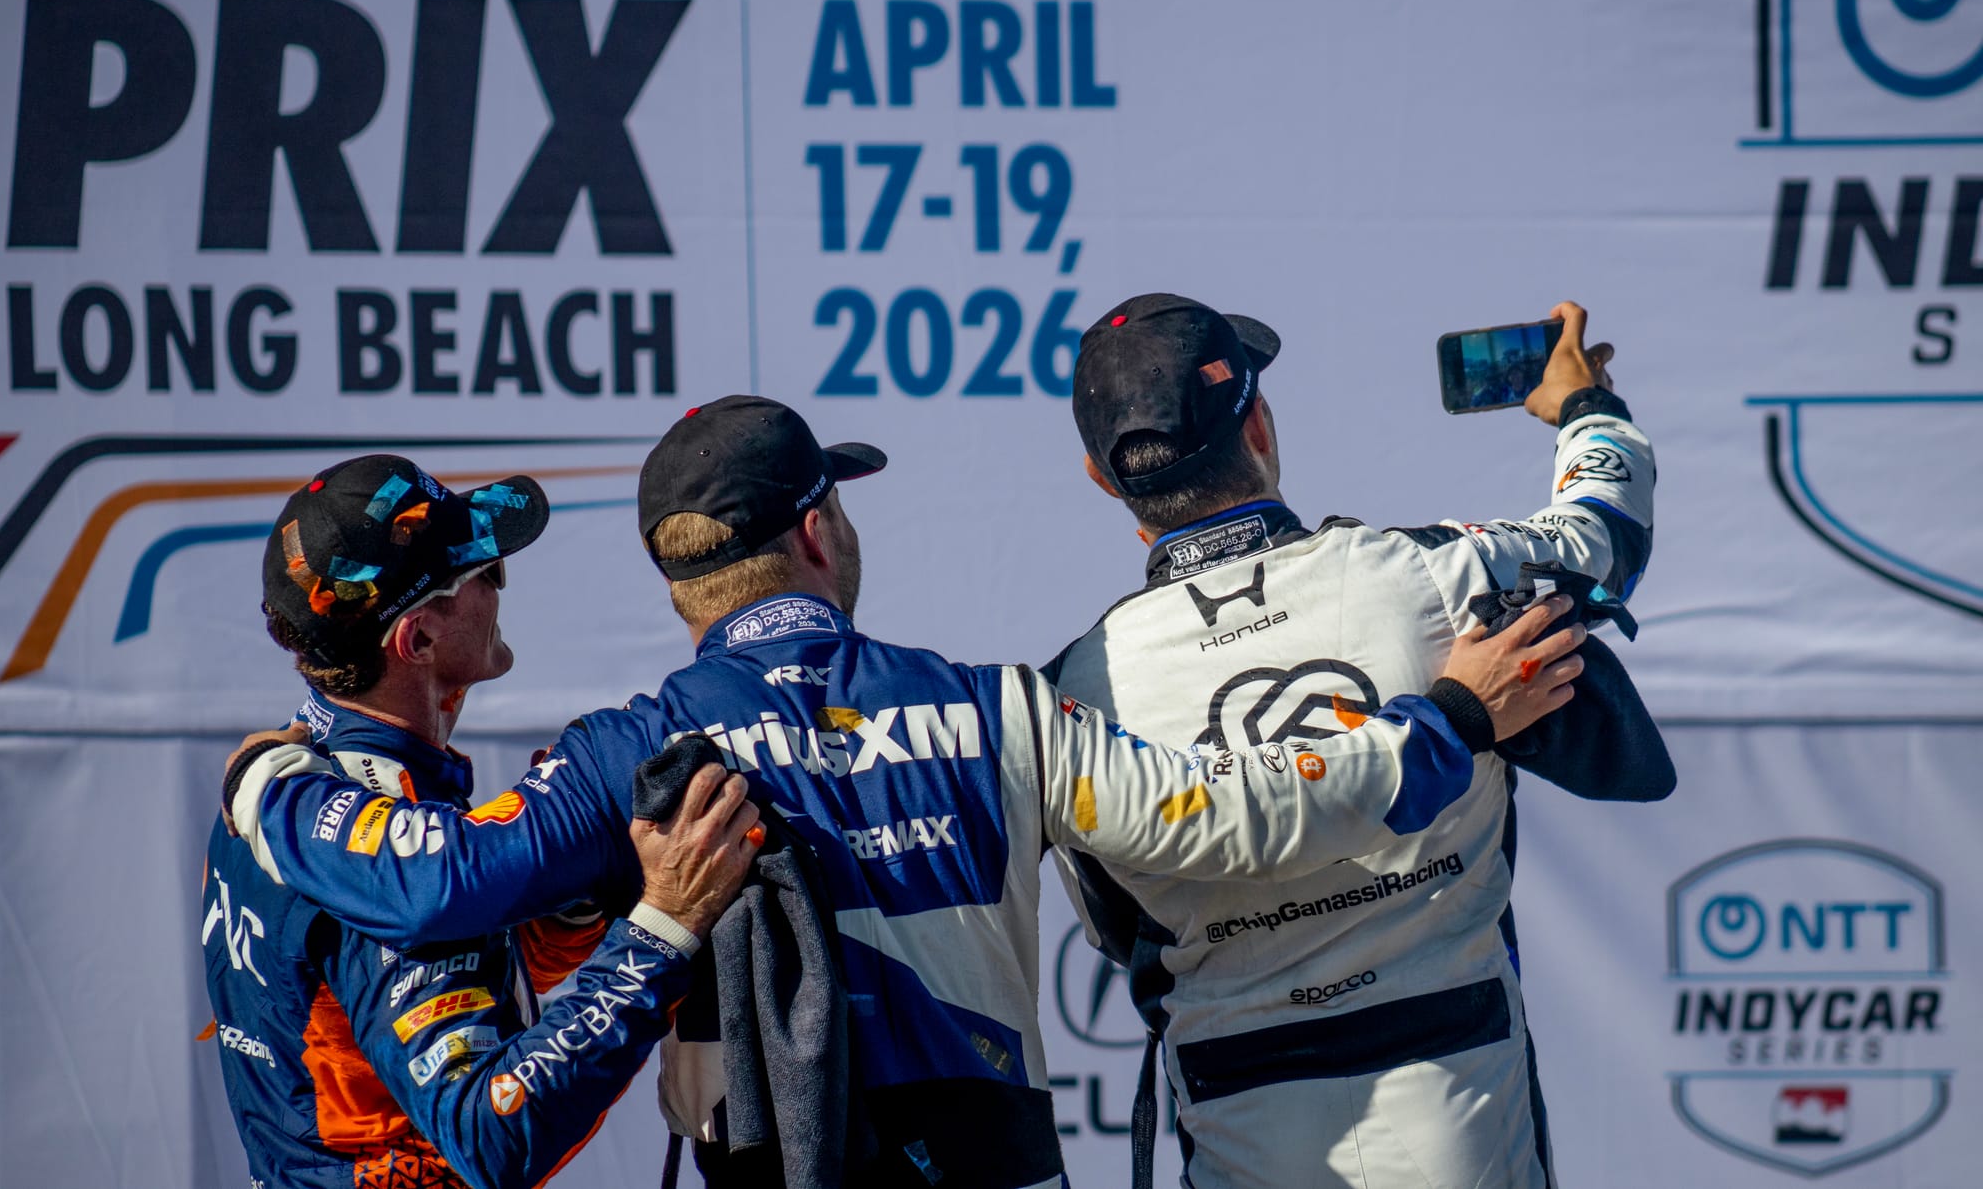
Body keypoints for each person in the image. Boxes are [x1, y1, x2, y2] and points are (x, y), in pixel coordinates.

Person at [221, 399, 1584, 1189]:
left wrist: (276, 780)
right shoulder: (1002, 701)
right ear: (819, 529)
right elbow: (1239, 816)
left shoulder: (618, 755)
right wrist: (1451, 715)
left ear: (678, 580)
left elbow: (449, 884)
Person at [1045, 294, 1661, 1189]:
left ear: (1104, 479)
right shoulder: (1430, 574)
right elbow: (1606, 535)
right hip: (1457, 1104)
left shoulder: (1074, 692)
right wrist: (1585, 409)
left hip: (1238, 1117)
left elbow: (1114, 925)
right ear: (1259, 424)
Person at [203, 455, 761, 1189]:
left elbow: (436, 981)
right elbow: (493, 1130)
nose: (502, 582)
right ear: (418, 640)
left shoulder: (290, 774)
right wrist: (662, 930)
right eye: (483, 572)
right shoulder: (384, 845)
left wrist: (574, 900)